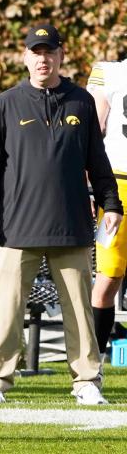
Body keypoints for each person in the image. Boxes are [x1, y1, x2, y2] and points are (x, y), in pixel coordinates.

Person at [0, 23, 122, 405]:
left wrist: (111, 203)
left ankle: (87, 381)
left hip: (71, 223)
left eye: (49, 52)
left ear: (60, 55)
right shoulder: (7, 102)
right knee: (6, 308)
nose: (43, 59)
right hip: (17, 225)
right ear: (25, 57)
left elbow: (97, 159)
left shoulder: (81, 101)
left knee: (79, 309)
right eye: (36, 53)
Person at [86, 59, 127, 360]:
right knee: (108, 273)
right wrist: (87, 186)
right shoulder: (108, 71)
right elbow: (93, 130)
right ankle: (94, 362)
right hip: (116, 188)